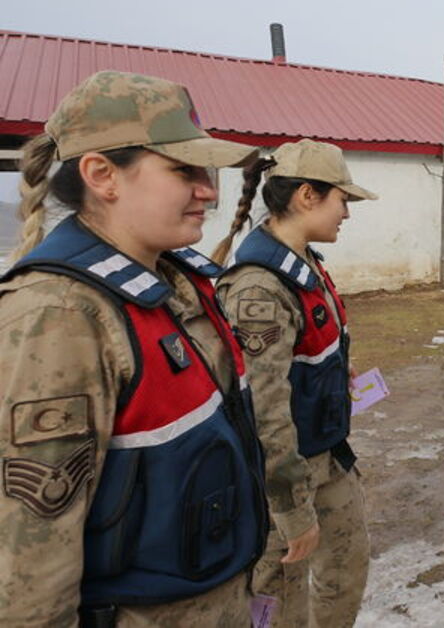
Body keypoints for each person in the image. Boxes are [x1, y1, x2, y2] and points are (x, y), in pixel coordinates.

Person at [0, 70, 267, 626]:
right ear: (103, 176)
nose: (208, 190)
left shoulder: (173, 280)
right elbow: (30, 566)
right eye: (183, 170)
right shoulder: (61, 314)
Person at [210, 139, 373, 627]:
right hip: (283, 474)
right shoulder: (260, 287)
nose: (347, 212)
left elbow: (305, 350)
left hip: (328, 455)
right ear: (307, 195)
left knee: (346, 571)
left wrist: (332, 372)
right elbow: (263, 410)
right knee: (280, 602)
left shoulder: (304, 262)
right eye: (342, 199)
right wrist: (291, 509)